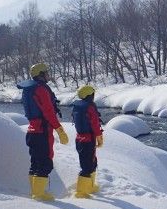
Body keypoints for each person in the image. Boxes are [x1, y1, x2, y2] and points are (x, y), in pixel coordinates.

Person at [16, 63, 69, 201]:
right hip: (42, 130)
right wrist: (59, 129)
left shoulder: (29, 89)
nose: (48, 75)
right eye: (46, 72)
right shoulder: (40, 89)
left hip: (32, 130)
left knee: (35, 162)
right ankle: (39, 195)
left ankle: (35, 192)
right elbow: (48, 111)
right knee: (45, 163)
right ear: (41, 74)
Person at [71, 85, 104, 198]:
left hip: (80, 139)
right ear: (90, 95)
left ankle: (90, 186)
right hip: (88, 139)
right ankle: (81, 192)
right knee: (87, 166)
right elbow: (95, 124)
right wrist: (99, 138)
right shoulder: (90, 107)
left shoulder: (77, 106)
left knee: (92, 162)